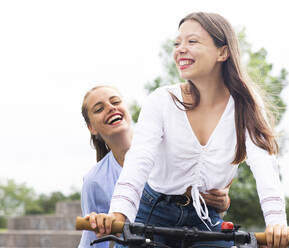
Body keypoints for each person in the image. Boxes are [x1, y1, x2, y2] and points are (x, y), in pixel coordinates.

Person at [88, 12, 289, 248]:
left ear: (223, 52)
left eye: (192, 41)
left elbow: (265, 165)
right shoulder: (162, 100)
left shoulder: (247, 103)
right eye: (178, 43)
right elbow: (138, 161)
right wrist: (118, 214)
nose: (180, 49)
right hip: (152, 210)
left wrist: (277, 222)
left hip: (206, 218)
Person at [79, 85, 231, 248]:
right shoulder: (94, 181)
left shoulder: (167, 141)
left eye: (115, 101)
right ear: (91, 128)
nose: (111, 108)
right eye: (99, 109)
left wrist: (224, 202)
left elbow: (200, 187)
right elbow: (93, 239)